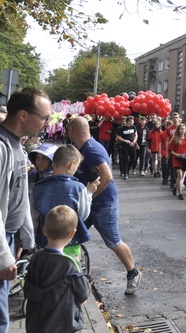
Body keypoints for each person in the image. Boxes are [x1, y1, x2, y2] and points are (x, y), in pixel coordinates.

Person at [67, 116, 142, 295]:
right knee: (71, 234)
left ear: (72, 131)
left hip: (103, 204)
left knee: (114, 241)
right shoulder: (84, 147)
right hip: (90, 203)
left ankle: (134, 273)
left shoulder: (91, 149)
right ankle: (70, 272)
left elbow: (107, 177)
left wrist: (90, 196)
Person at [0, 87, 51, 331]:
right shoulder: (2, 148)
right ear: (22, 115)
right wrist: (2, 255)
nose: (45, 123)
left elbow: (18, 196)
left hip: (11, 239)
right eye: (43, 117)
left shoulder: (18, 146)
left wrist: (24, 236)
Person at [23, 205, 91, 333]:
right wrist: (82, 299)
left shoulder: (36, 257)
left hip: (37, 322)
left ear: (44, 230)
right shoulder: (70, 264)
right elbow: (83, 292)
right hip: (63, 323)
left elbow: (28, 287)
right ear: (72, 233)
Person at [32, 145, 98, 251]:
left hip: (45, 242)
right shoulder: (79, 188)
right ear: (71, 164)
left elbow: (34, 218)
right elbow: (83, 215)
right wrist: (89, 193)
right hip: (70, 242)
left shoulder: (38, 187)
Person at [169, 123, 186, 199]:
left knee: (181, 177)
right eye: (181, 129)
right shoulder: (175, 139)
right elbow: (171, 150)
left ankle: (176, 187)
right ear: (178, 130)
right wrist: (177, 155)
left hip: (185, 159)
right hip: (177, 159)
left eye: (183, 129)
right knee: (179, 175)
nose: (182, 130)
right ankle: (180, 193)